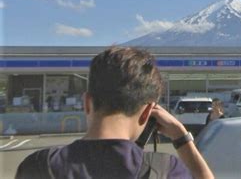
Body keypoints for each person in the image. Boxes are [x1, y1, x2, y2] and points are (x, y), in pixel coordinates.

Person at [16, 47, 214, 179]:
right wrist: (181, 137)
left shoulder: (38, 166)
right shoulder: (163, 170)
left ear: (87, 103)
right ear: (147, 113)